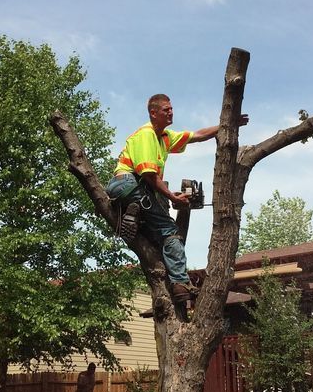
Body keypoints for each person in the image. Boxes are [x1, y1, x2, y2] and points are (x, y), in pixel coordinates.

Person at [106, 94, 248, 303]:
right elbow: (149, 175)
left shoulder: (164, 136)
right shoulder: (146, 135)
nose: (171, 112)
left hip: (130, 188)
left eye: (171, 109)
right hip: (129, 184)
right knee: (170, 230)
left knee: (153, 228)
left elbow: (197, 135)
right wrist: (173, 196)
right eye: (166, 109)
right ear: (153, 113)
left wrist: (227, 124)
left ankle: (133, 213)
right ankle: (181, 284)